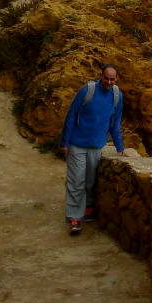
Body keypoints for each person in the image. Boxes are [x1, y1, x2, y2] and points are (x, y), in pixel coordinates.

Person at [60, 64, 126, 235]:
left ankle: (88, 207)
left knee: (90, 181)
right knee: (76, 181)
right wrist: (65, 143)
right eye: (106, 78)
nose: (109, 82)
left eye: (112, 79)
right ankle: (75, 218)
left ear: (116, 79)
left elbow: (115, 123)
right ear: (101, 76)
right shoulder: (87, 91)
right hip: (77, 144)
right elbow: (71, 115)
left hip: (97, 145)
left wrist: (120, 147)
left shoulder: (117, 96)